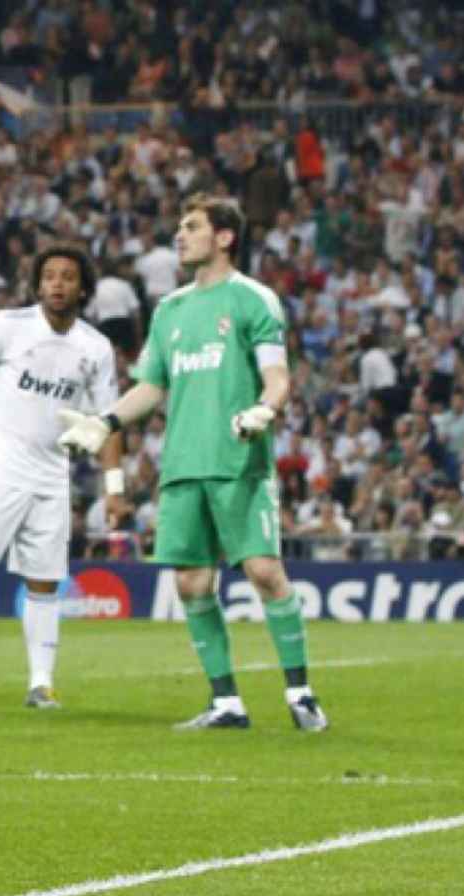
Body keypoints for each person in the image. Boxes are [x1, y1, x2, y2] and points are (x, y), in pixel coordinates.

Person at [58, 193, 328, 732]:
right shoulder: (170, 309)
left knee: (263, 570)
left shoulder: (254, 300)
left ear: (224, 237)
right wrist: (104, 422)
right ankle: (226, 701)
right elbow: (151, 386)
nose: (179, 236)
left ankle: (301, 693)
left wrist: (263, 409)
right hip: (182, 463)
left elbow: (278, 377)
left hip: (237, 458)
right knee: (192, 585)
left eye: (191, 226)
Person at [0, 244, 122, 710]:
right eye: (49, 275)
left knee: (45, 583)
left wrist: (114, 487)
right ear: (37, 284)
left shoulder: (95, 348)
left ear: (82, 287)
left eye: (67, 277)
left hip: (53, 474)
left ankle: (40, 683)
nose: (57, 284)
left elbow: (108, 421)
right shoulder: (8, 326)